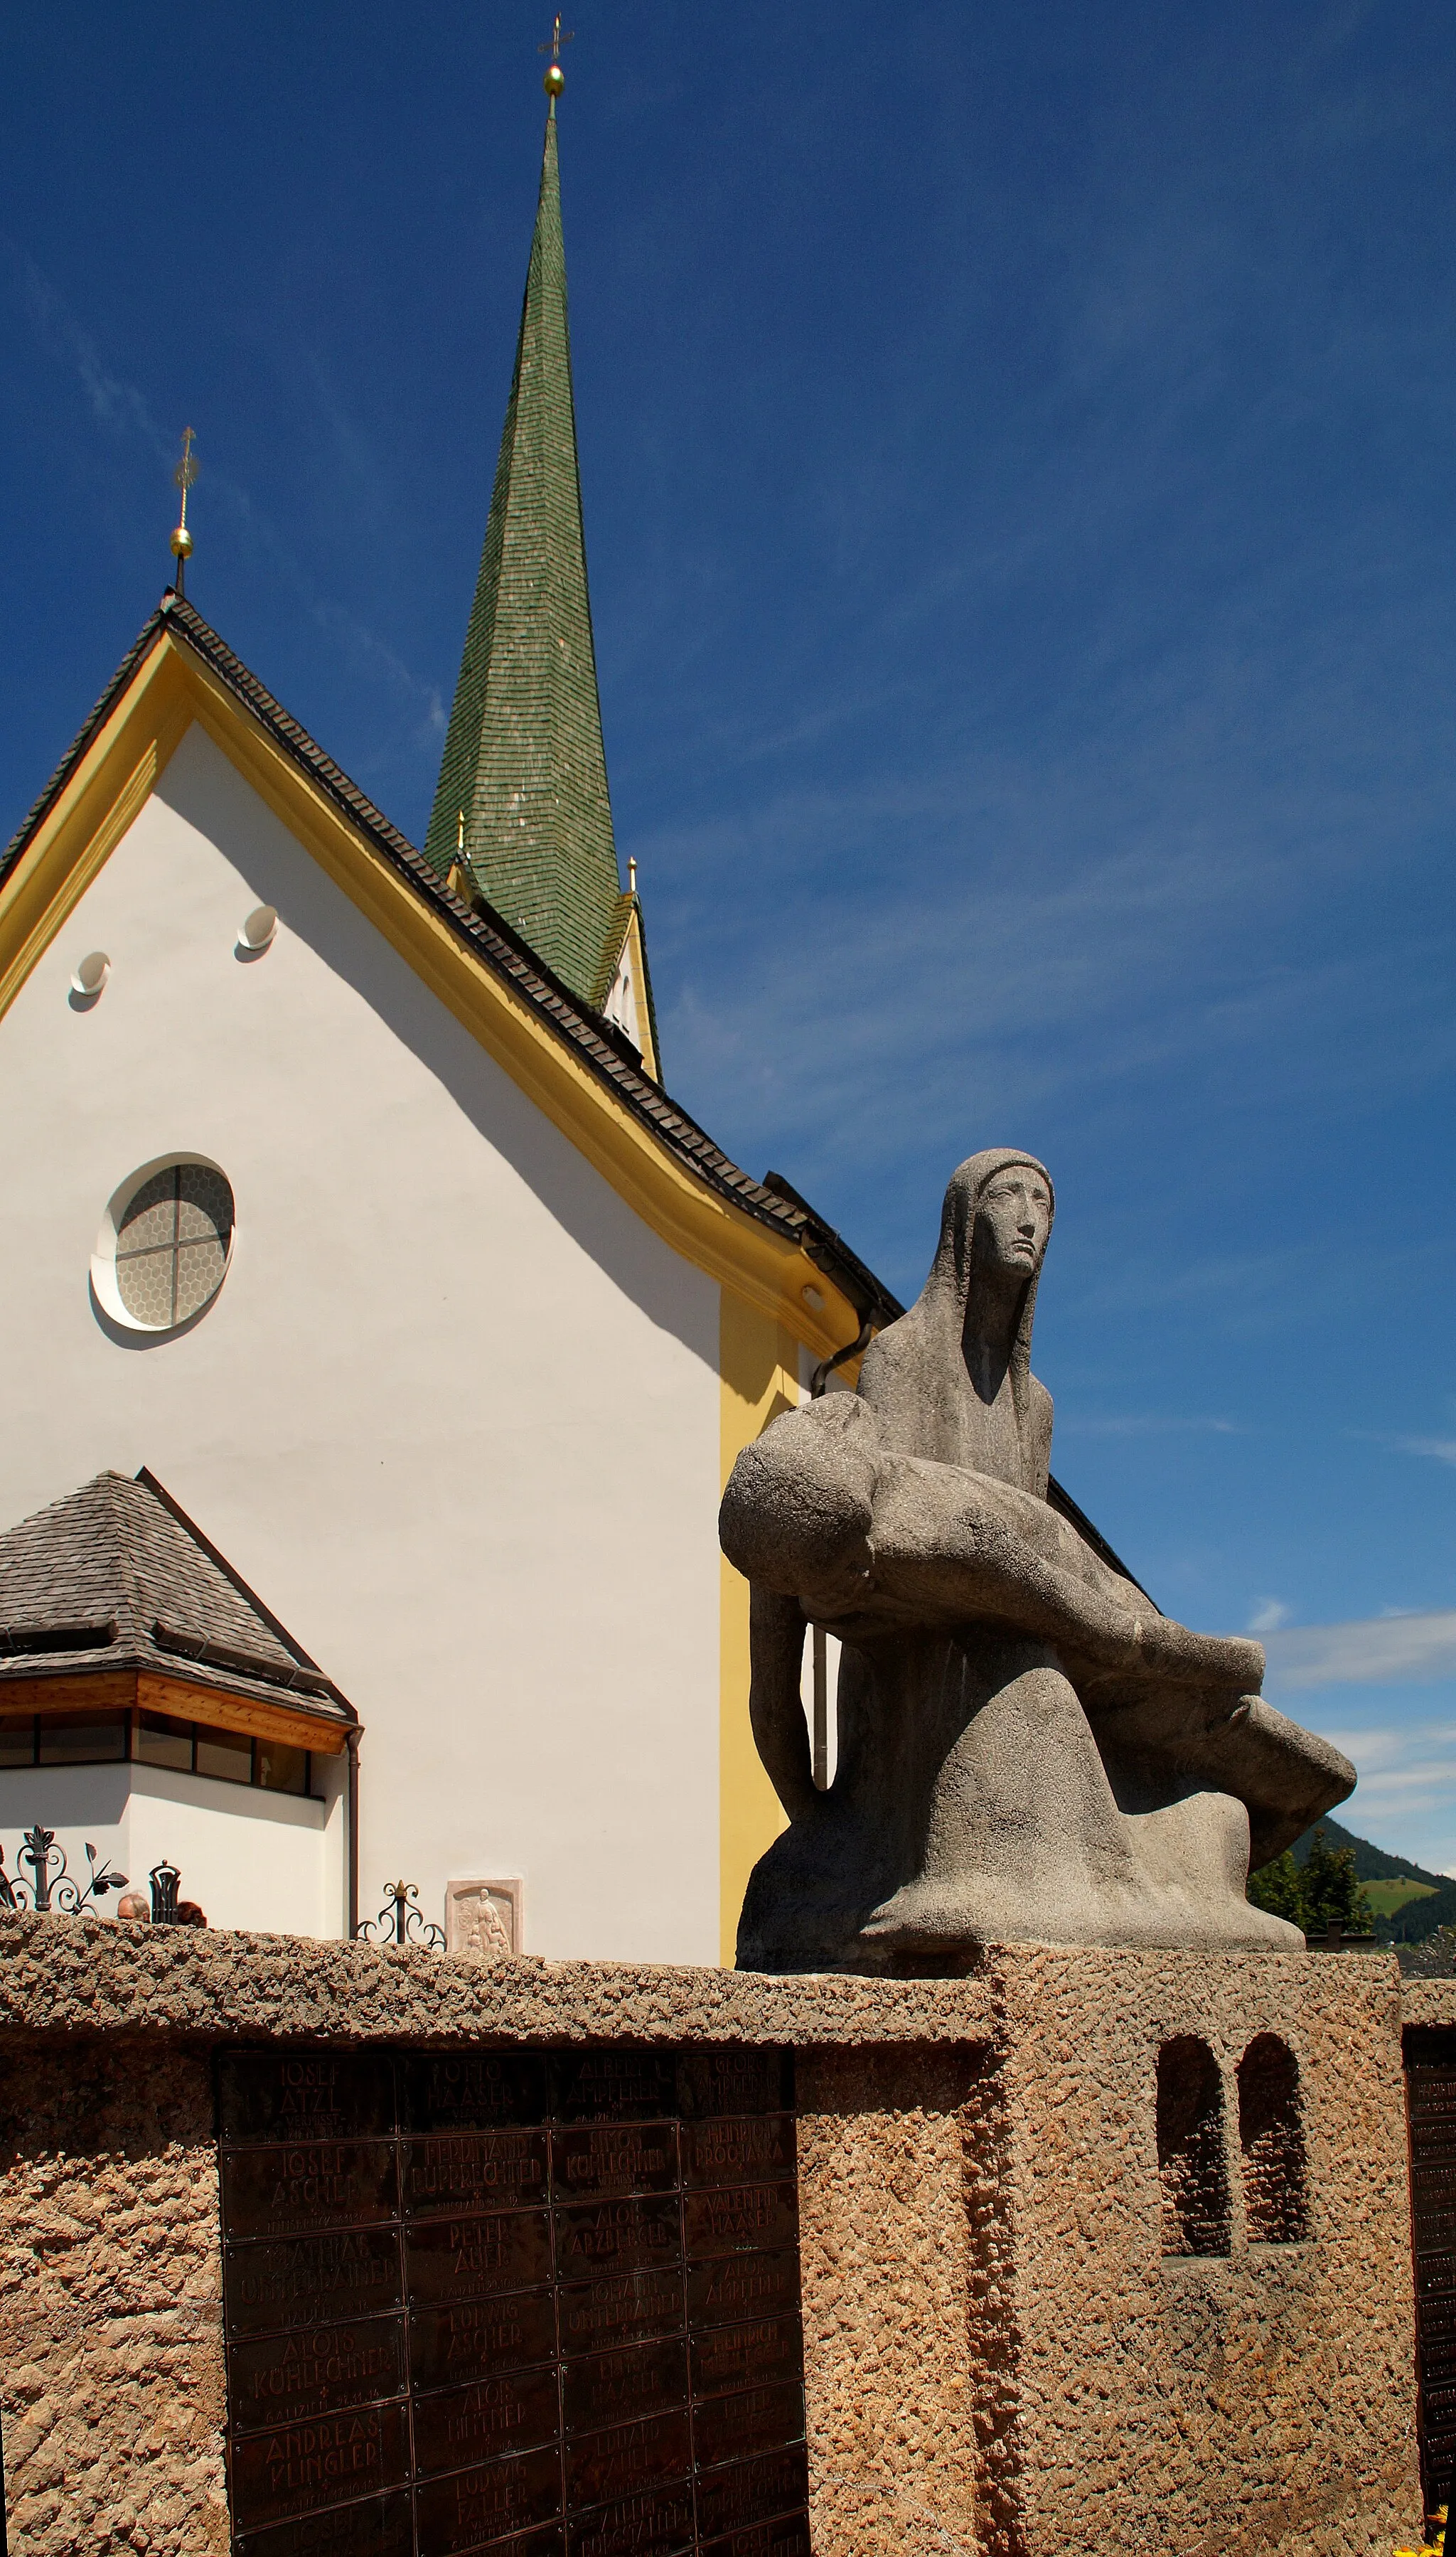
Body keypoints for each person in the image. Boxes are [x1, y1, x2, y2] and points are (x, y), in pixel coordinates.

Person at [720, 1148, 1354, 1970]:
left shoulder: (1034, 1403)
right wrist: (817, 1820)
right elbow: (924, 1546)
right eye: (1006, 1196)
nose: (1026, 1217)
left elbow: (1033, 1546)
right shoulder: (900, 1361)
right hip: (923, 1655)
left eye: (1040, 1202)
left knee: (1204, 1777)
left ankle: (1157, 1859)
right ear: (961, 1221)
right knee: (1032, 1675)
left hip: (1035, 1604)